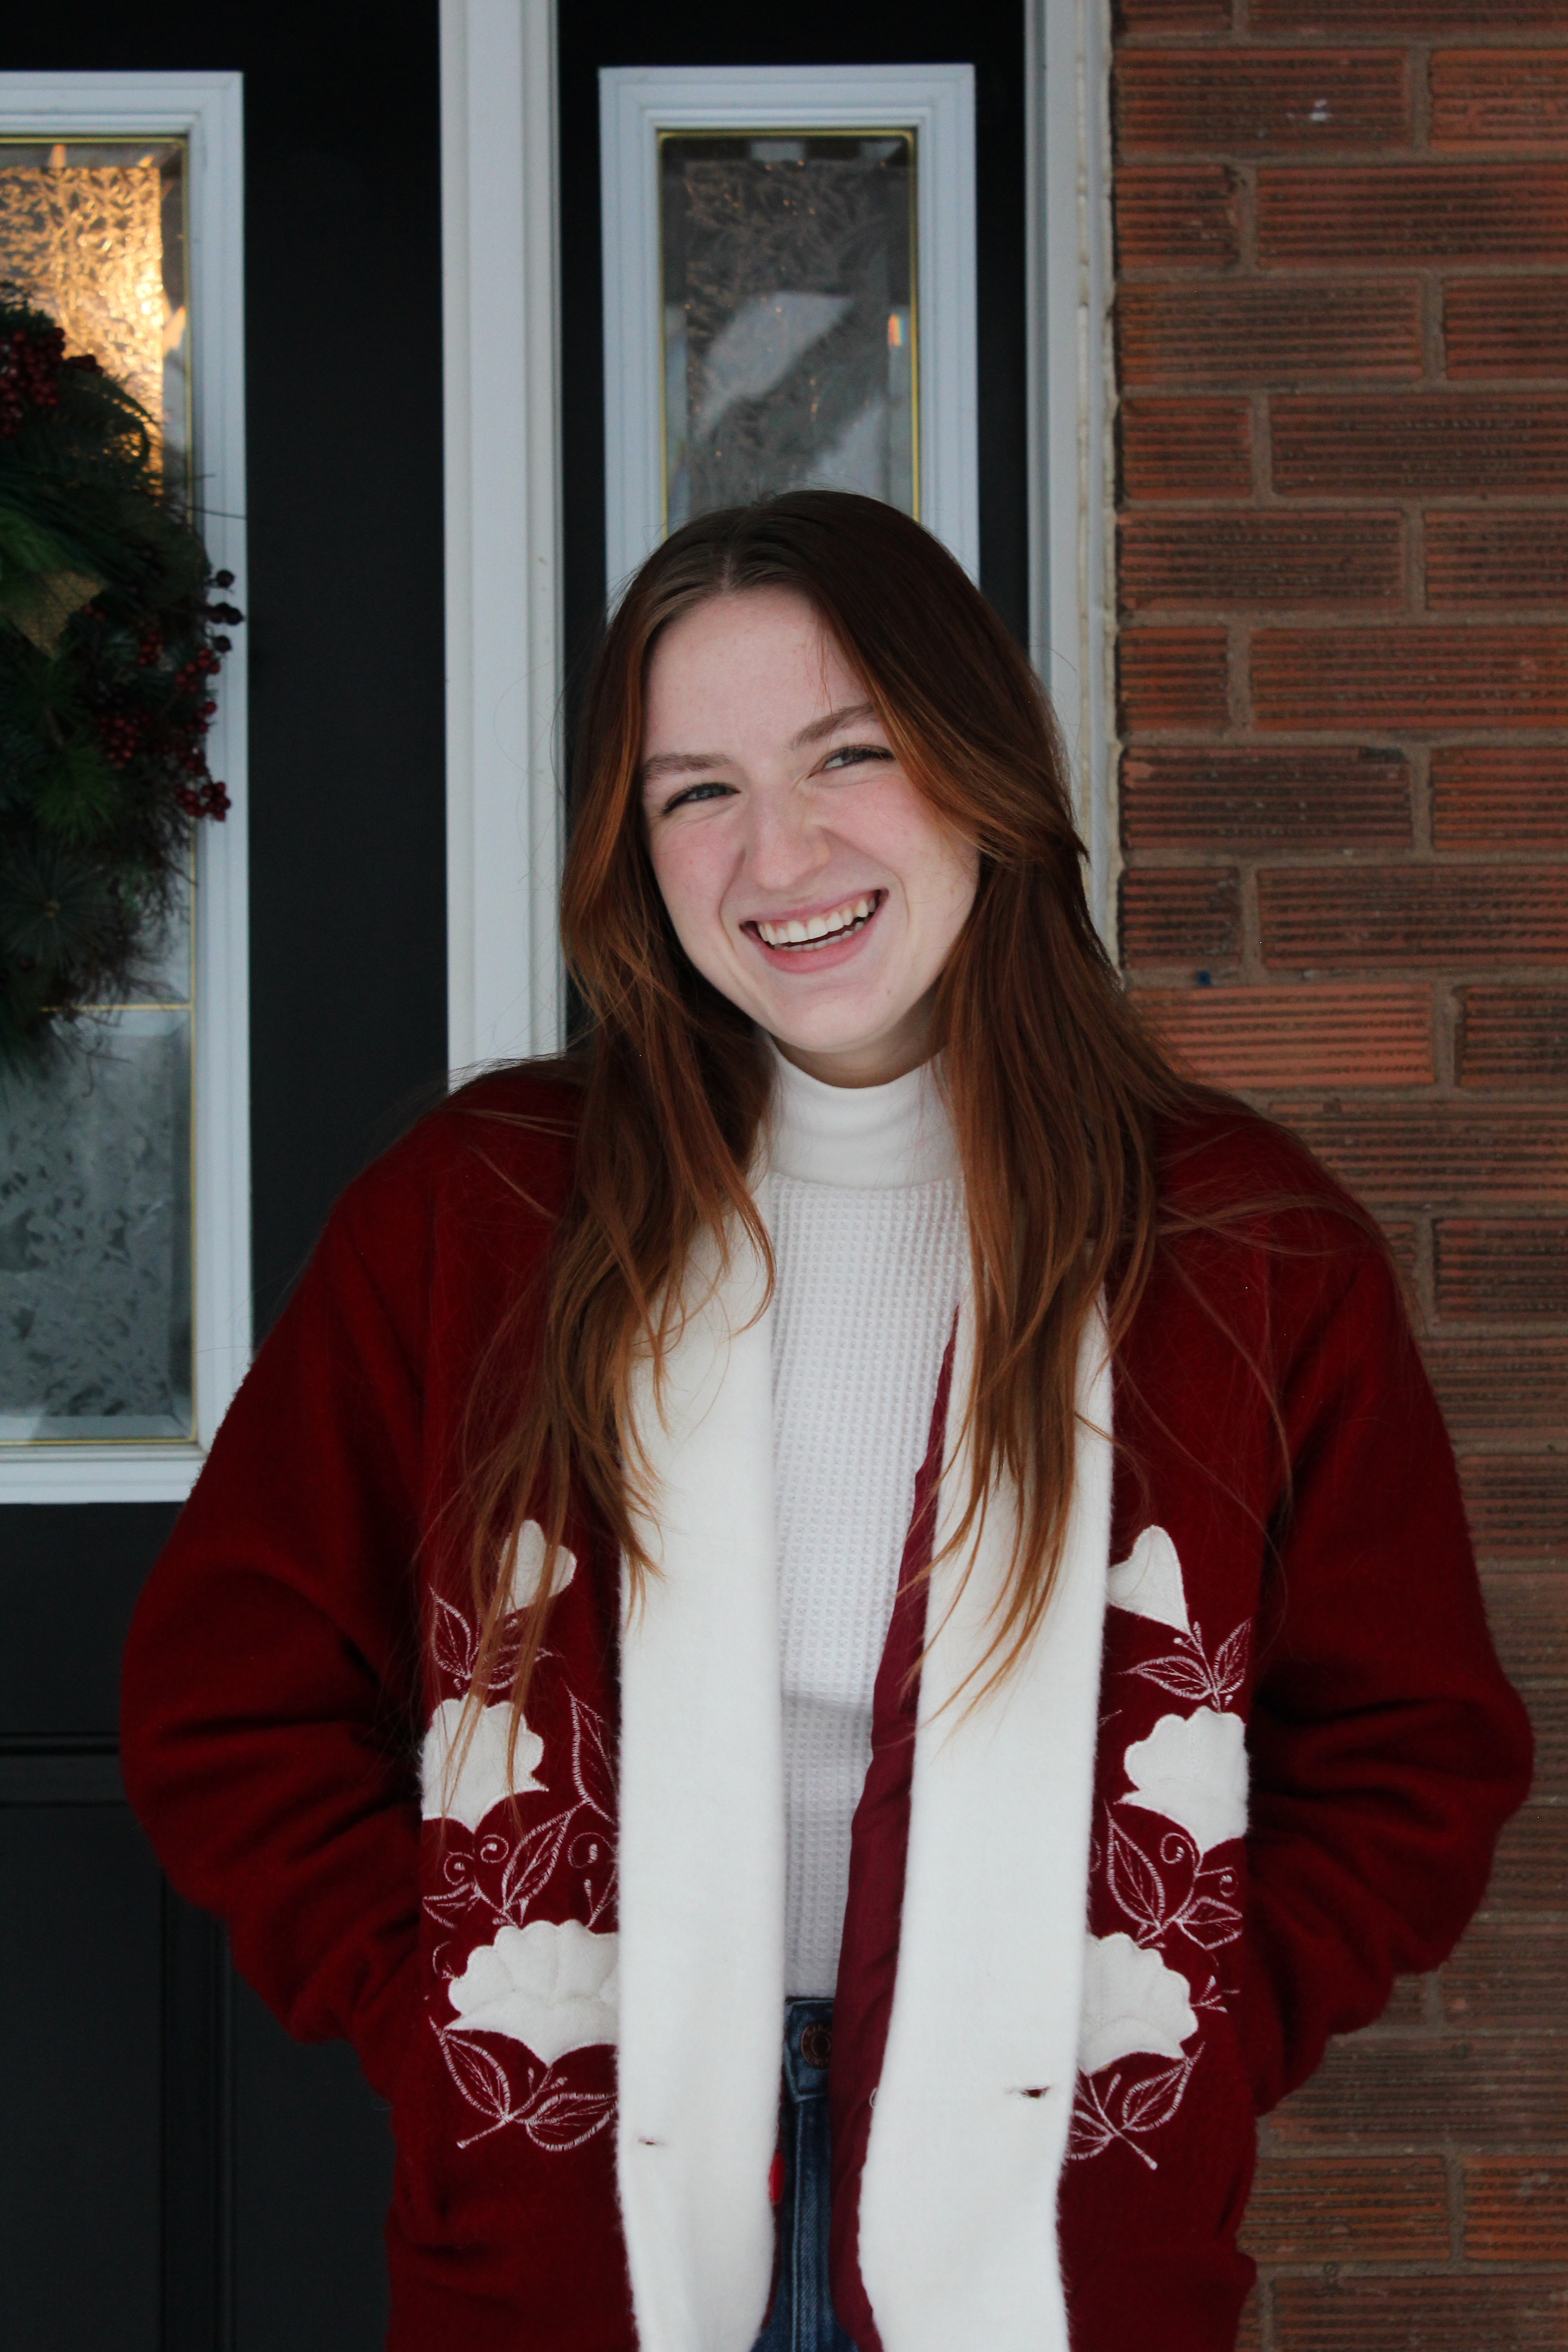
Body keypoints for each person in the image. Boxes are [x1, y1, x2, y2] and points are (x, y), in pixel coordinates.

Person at [120, 492, 1531, 2352]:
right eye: (694, 787)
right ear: (633, 848)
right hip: (570, 2232)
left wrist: (1185, 2026)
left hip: (1051, 2231)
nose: (776, 849)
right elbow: (227, 1696)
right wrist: (442, 1997)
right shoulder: (478, 1216)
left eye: (845, 755)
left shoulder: (1236, 1244)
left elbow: (1409, 1745)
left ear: (980, 769)